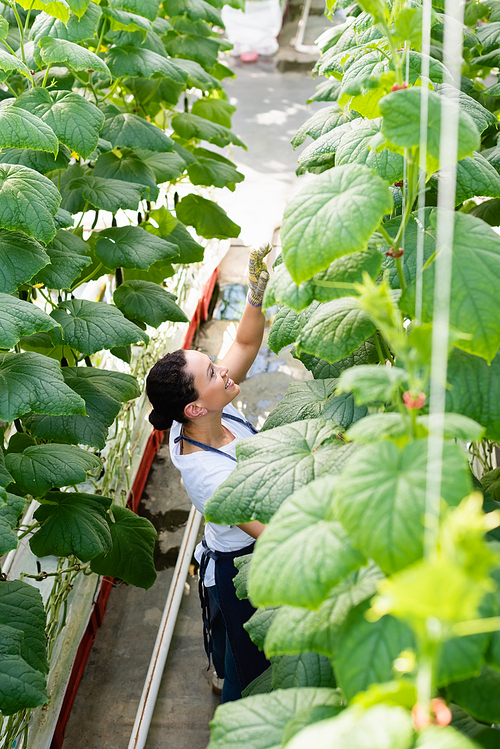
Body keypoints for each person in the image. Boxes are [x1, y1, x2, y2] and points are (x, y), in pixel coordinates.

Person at [145, 243, 272, 703]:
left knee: (235, 652)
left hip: (244, 547)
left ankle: (220, 668)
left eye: (214, 364)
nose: (224, 369)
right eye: (214, 372)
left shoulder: (209, 412)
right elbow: (270, 533)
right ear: (195, 405)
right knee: (255, 674)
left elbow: (244, 342)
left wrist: (256, 291)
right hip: (245, 565)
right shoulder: (208, 475)